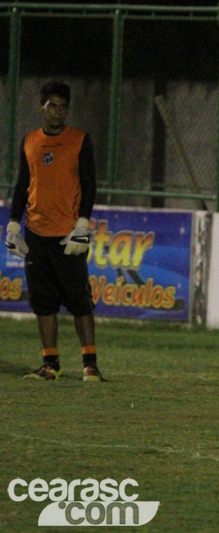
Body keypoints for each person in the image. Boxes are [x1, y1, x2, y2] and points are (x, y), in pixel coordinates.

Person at [4, 80, 103, 382]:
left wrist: (83, 224)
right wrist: (12, 224)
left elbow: (89, 185)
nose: (57, 112)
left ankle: (90, 364)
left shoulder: (79, 140)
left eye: (62, 107)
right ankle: (51, 364)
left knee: (79, 301)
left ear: (66, 110)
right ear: (41, 107)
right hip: (36, 234)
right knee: (42, 303)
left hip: (67, 235)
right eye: (52, 106)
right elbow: (23, 185)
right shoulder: (29, 141)